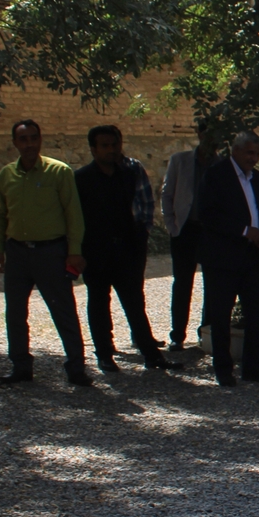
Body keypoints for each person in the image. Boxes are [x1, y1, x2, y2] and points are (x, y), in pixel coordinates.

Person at [0, 119, 90, 386]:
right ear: (15, 143)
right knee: (15, 312)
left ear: (40, 139)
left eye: (34, 138)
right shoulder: (6, 175)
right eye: (23, 139)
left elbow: (73, 214)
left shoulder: (59, 172)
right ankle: (21, 366)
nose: (29, 144)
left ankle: (76, 367)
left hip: (51, 252)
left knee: (63, 310)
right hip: (17, 253)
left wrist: (74, 251)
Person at [74, 125, 172, 372]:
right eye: (105, 146)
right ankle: (105, 354)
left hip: (127, 248)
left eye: (114, 145)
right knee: (98, 303)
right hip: (96, 251)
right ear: (94, 149)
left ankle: (150, 354)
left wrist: (140, 239)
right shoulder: (82, 178)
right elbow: (75, 217)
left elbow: (143, 208)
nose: (111, 150)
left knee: (134, 302)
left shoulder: (129, 173)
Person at [199, 130, 259, 386]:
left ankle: (253, 365)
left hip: (249, 256)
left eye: (257, 154)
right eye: (249, 153)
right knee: (221, 315)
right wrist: (245, 231)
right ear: (236, 150)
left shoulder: (255, 177)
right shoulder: (216, 173)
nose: (253, 159)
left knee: (257, 312)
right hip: (222, 256)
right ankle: (223, 369)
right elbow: (208, 215)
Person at [161, 123, 219, 350]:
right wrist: (172, 226)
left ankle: (206, 331)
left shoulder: (223, 164)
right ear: (200, 134)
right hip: (185, 230)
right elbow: (167, 194)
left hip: (211, 232)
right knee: (183, 283)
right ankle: (177, 335)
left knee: (212, 284)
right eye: (208, 134)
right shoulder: (180, 160)